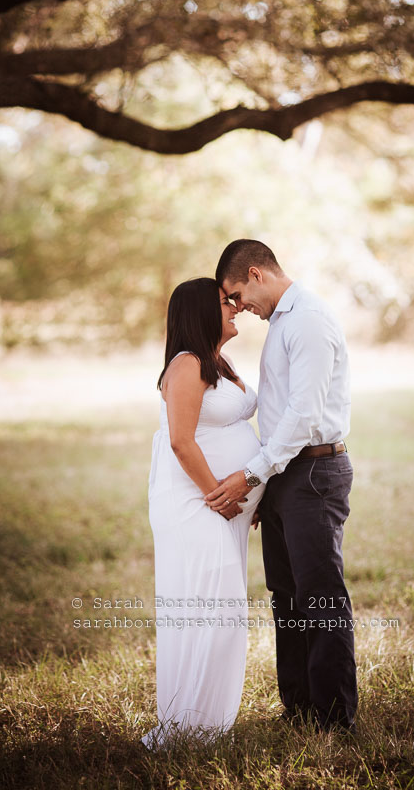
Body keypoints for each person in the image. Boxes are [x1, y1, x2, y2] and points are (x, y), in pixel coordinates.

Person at [206, 240, 357, 732]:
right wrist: (265, 487)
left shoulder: (307, 319)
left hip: (313, 472)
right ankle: (299, 709)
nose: (237, 308)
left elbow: (304, 415)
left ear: (256, 273)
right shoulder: (283, 322)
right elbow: (276, 417)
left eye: (236, 295)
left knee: (320, 595)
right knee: (286, 594)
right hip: (284, 474)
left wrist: (251, 474)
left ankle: (334, 719)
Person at [142, 277, 265, 749]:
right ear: (199, 312)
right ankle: (188, 727)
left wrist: (250, 494)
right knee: (208, 611)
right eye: (224, 302)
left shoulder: (218, 361)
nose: (234, 307)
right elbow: (180, 440)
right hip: (197, 505)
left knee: (222, 611)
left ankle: (204, 723)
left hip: (221, 507)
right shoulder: (188, 364)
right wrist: (220, 493)